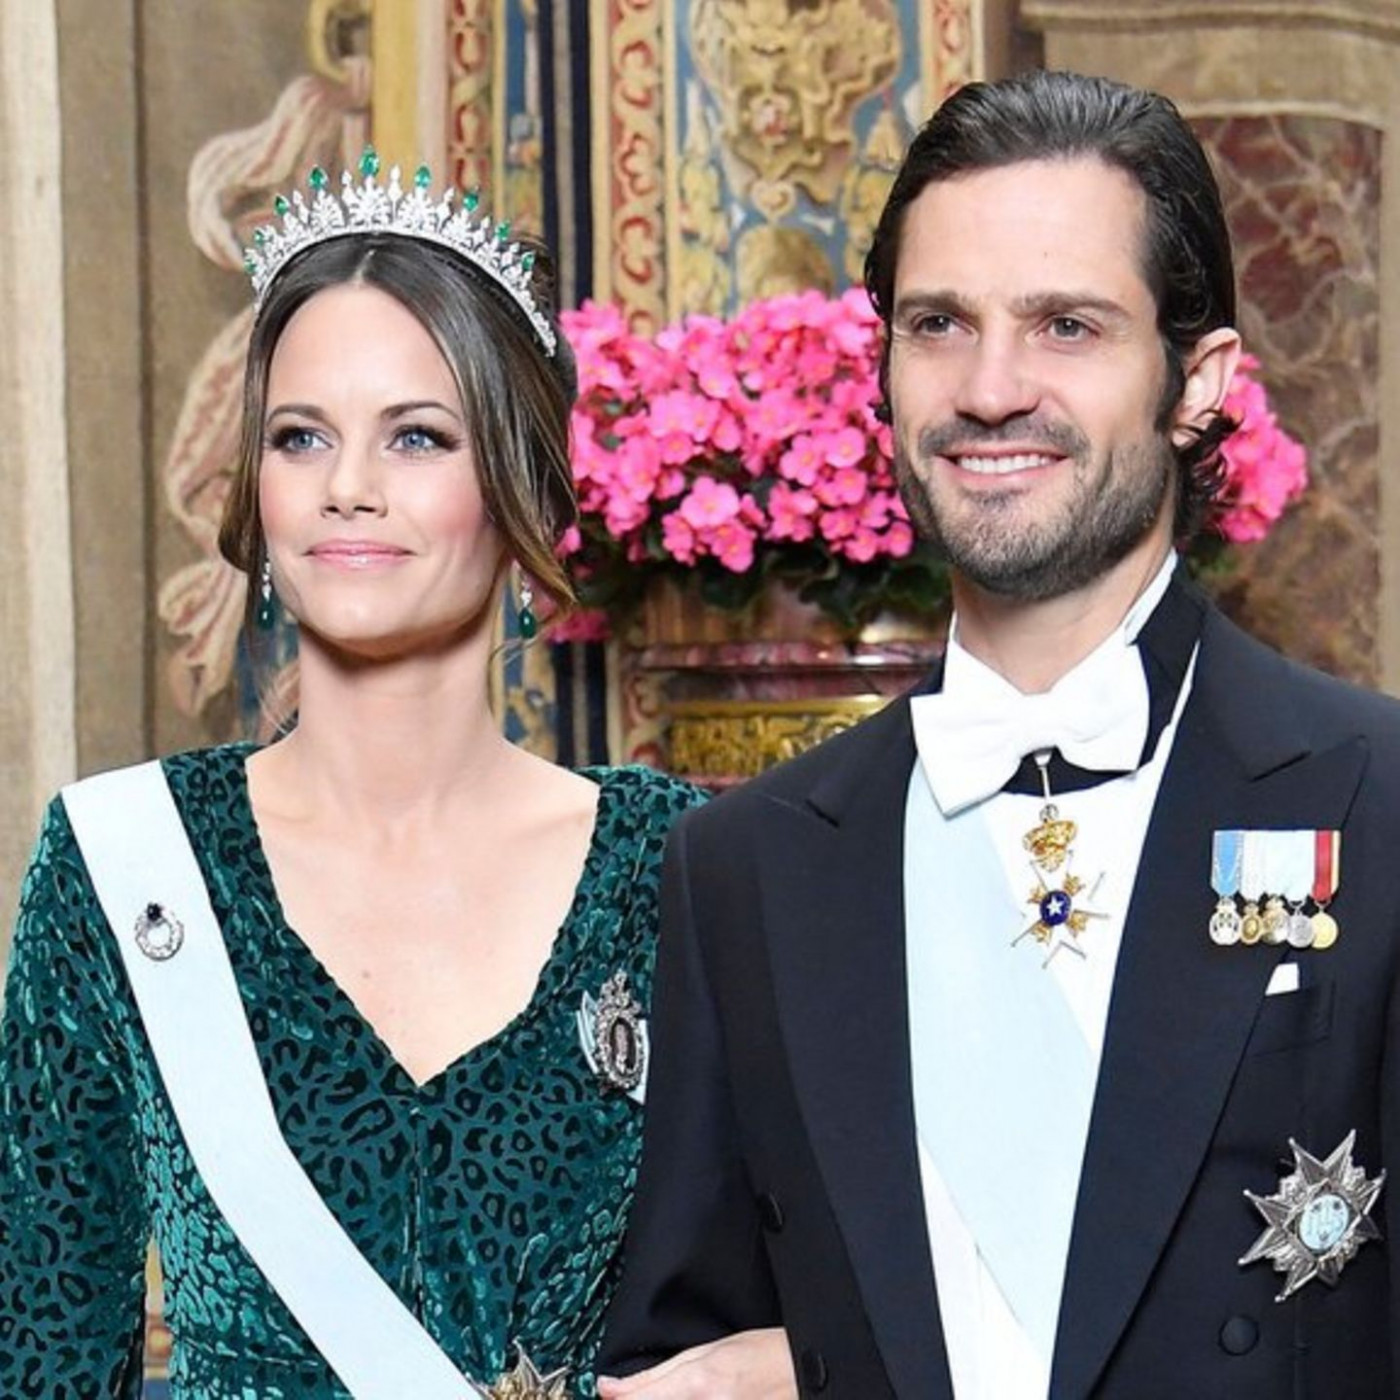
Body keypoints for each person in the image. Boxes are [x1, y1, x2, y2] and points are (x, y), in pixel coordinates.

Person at [600, 70, 1400, 1398]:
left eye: (1064, 325)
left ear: (1197, 382)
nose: (988, 389)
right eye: (939, 324)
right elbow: (681, 1362)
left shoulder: (1378, 804)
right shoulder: (747, 869)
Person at [0, 152, 770, 1399]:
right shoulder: (123, 863)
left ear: (521, 491)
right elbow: (41, 1353)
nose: (347, 487)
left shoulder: (677, 864)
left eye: (416, 437)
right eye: (300, 436)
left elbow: (864, 1289)